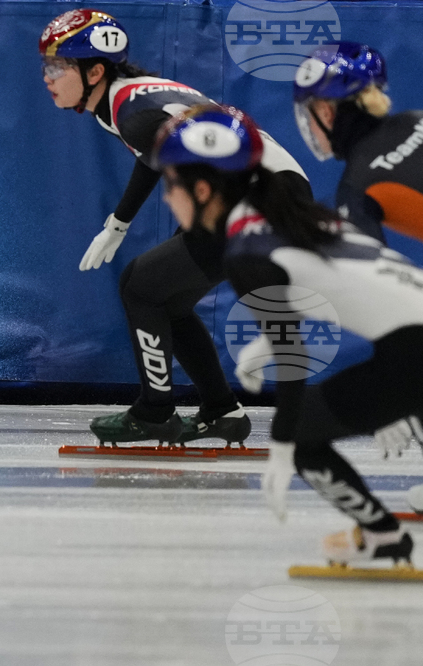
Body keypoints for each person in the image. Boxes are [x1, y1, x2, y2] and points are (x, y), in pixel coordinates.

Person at [152, 103, 420, 565]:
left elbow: (293, 360)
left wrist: (281, 449)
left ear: (201, 189)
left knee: (304, 434)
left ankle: (383, 537)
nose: (164, 198)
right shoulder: (277, 212)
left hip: (412, 350)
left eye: (169, 185)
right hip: (409, 342)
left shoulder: (245, 250)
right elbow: (338, 283)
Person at [38, 9, 312, 444]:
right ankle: (221, 411)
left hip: (258, 195)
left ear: (93, 71)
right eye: (46, 65)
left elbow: (166, 152)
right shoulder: (124, 101)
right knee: (166, 299)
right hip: (266, 190)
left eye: (58, 66)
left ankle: (155, 410)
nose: (48, 77)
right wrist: (118, 224)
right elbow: (153, 157)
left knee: (139, 285)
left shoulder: (134, 113)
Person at [293, 41, 423, 244]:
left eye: (308, 116)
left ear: (326, 113)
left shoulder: (354, 187)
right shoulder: (416, 118)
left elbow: (374, 272)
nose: (309, 126)